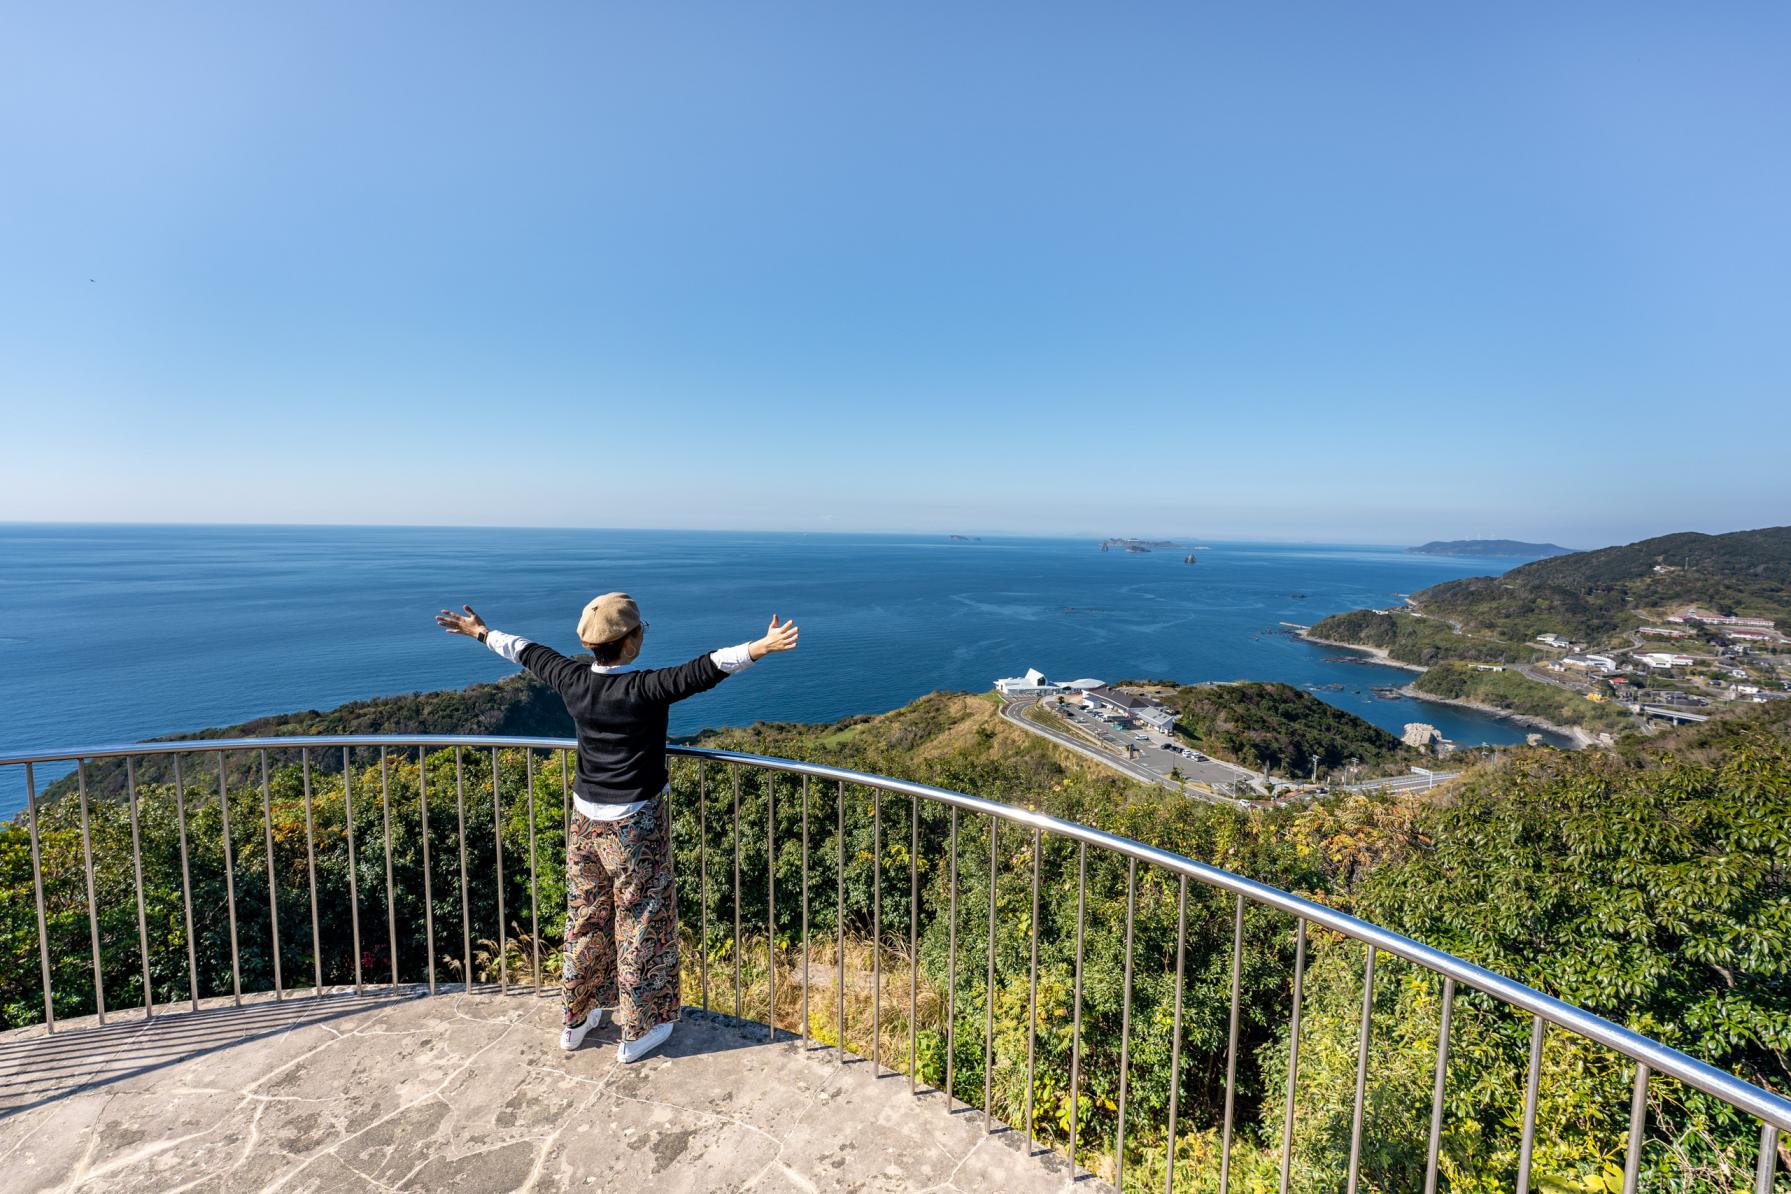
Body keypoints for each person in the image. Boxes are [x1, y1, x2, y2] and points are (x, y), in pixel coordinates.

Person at [434, 594, 799, 1062]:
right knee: (640, 922)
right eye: (640, 628)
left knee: (585, 918)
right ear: (629, 642)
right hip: (635, 825)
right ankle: (639, 1031)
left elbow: (524, 650)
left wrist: (480, 632)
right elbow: (705, 669)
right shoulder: (644, 688)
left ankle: (575, 1018)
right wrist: (761, 647)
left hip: (584, 821)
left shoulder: (571, 678)